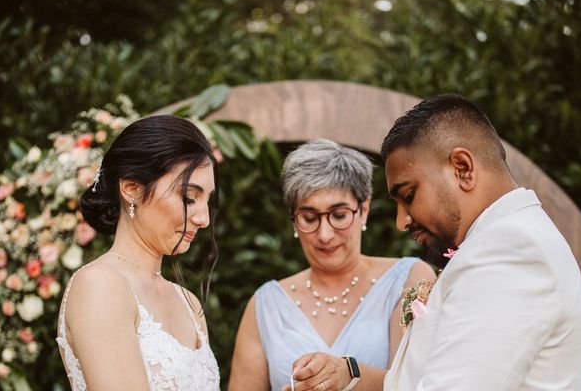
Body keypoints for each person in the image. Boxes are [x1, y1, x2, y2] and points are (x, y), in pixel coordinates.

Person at [380, 94, 581, 390]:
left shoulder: (512, 249)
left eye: (409, 195)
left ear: (463, 168)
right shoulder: (506, 239)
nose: (401, 221)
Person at [228, 139, 435, 391]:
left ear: (364, 210)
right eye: (309, 218)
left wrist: (349, 375)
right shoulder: (265, 305)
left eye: (339, 215)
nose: (325, 234)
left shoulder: (410, 280)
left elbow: (419, 382)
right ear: (293, 221)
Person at [56, 114, 221, 391]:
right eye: (189, 198)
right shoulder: (100, 284)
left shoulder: (189, 304)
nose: (203, 218)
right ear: (132, 188)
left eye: (207, 200)